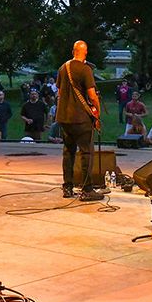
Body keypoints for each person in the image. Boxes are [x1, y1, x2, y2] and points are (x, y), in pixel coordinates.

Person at [56, 41, 102, 201]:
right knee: (86, 152)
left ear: (73, 51)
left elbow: (60, 92)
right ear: (85, 52)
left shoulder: (63, 68)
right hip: (81, 118)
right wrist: (97, 108)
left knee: (68, 152)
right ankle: (87, 189)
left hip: (64, 118)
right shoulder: (85, 69)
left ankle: (67, 187)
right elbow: (91, 94)